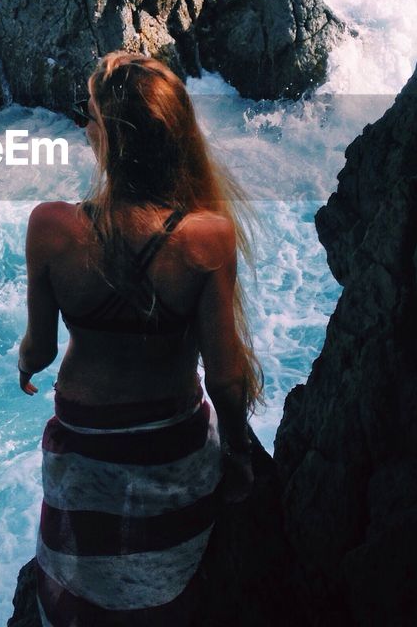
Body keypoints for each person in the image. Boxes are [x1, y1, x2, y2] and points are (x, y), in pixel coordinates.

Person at [18, 50, 264, 626]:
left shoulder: (50, 227)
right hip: (171, 446)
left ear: (114, 141)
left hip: (86, 444)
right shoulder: (207, 237)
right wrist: (240, 453)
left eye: (92, 117)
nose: (84, 126)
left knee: (80, 584)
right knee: (167, 586)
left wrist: (26, 365)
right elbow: (227, 378)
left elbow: (43, 348)